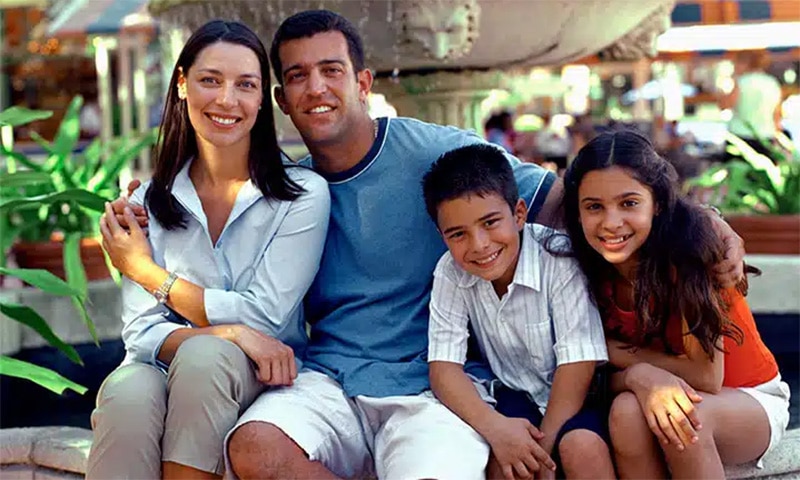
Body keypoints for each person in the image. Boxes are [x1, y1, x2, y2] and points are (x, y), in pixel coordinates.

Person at [113, 10, 745, 479]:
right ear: (281, 99)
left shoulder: (434, 152)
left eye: (332, 71)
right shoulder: (288, 188)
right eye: (298, 77)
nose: (316, 89)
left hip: (434, 387)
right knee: (251, 451)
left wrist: (695, 220)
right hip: (327, 381)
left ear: (362, 81)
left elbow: (566, 198)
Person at [86, 20, 330, 480]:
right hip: (168, 370)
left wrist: (144, 270)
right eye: (210, 80)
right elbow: (141, 336)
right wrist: (230, 333)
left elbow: (266, 319)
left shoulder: (302, 195)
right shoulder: (144, 204)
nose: (226, 100)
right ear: (182, 85)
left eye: (245, 85)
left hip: (264, 377)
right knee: (126, 392)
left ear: (262, 99)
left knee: (206, 358)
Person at [559, 130, 790, 479]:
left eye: (629, 203)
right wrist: (639, 377)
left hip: (748, 398)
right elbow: (598, 379)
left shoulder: (689, 256)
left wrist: (624, 360)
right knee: (625, 411)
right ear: (576, 213)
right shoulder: (587, 269)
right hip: (661, 395)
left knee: (684, 416)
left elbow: (707, 377)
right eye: (594, 207)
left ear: (659, 203)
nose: (611, 222)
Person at [421, 144, 614, 480]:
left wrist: (545, 450)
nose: (480, 244)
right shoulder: (450, 272)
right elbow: (444, 368)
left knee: (582, 448)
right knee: (503, 461)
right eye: (458, 234)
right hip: (512, 395)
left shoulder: (558, 258)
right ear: (442, 236)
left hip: (577, 397)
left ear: (519, 214)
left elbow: (577, 363)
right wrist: (496, 429)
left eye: (490, 222)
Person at [723, 50, 783, 160]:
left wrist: (725, 85)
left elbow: (725, 105)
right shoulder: (772, 83)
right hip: (766, 136)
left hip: (740, 136)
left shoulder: (741, 82)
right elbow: (777, 115)